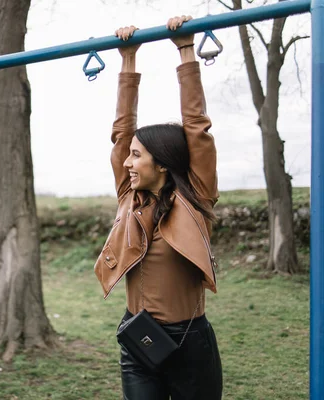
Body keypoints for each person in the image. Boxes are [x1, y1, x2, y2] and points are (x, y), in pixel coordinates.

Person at [94, 15, 223, 399]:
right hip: (138, 337)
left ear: (163, 163)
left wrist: (185, 51)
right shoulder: (128, 196)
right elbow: (121, 132)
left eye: (137, 156)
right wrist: (128, 60)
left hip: (190, 342)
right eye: (128, 157)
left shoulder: (195, 197)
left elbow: (197, 128)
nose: (128, 163)